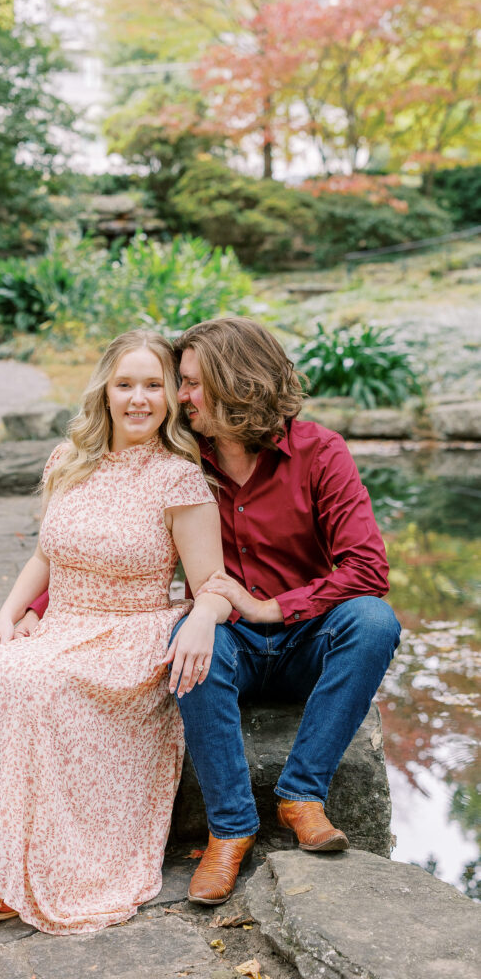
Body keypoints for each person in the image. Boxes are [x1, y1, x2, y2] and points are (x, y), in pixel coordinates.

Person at [0, 329, 231, 943]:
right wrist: (11, 610)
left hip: (131, 634)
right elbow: (44, 555)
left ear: (170, 397)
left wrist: (202, 620)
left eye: (155, 385)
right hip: (65, 623)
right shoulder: (68, 462)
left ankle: (51, 863)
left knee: (34, 685)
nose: (140, 399)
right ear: (104, 391)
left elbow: (210, 582)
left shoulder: (179, 479)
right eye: (125, 384)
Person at [170, 317, 401, 905]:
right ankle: (231, 829)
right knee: (190, 639)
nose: (182, 396)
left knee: (374, 621)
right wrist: (40, 607)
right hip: (232, 644)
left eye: (194, 383)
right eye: (182, 382)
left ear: (237, 382)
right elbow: (109, 530)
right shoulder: (181, 459)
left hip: (306, 642)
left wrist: (274, 606)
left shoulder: (320, 451)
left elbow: (368, 570)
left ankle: (301, 795)